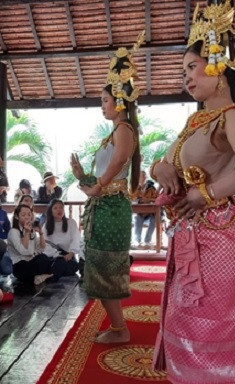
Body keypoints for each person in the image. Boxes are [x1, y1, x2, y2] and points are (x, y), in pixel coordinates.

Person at [149, 4, 235, 384]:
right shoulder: (196, 121)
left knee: (202, 319)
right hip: (199, 233)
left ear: (218, 68)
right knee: (206, 319)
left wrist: (203, 194)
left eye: (192, 67)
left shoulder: (232, 115)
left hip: (217, 233)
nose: (185, 76)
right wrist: (159, 169)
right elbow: (164, 162)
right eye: (184, 68)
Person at [70, 35, 144, 345]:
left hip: (112, 206)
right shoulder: (114, 132)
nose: (102, 105)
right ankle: (117, 326)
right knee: (98, 264)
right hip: (105, 205)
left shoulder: (124, 130)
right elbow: (106, 173)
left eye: (104, 100)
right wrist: (83, 176)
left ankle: (119, 329)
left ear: (119, 101)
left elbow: (120, 161)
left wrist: (97, 185)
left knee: (106, 266)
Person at [7, 204, 54, 285]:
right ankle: (42, 276)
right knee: (42, 259)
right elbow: (23, 251)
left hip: (31, 263)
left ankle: (40, 276)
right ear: (16, 216)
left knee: (47, 259)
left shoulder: (31, 231)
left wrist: (41, 233)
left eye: (29, 214)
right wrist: (27, 233)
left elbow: (41, 248)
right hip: (19, 266)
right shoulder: (13, 232)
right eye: (23, 215)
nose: (27, 217)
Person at [43, 199, 80, 280]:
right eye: (55, 208)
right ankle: (53, 273)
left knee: (74, 267)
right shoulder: (47, 225)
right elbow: (45, 244)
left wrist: (71, 253)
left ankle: (50, 274)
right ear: (51, 211)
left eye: (61, 207)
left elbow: (76, 239)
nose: (59, 210)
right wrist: (57, 255)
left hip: (68, 256)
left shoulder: (71, 222)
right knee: (60, 264)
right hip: (53, 256)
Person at [131, 170, 158, 248]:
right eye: (141, 176)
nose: (143, 177)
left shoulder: (152, 188)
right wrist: (139, 200)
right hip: (139, 213)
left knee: (154, 219)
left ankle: (147, 240)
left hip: (150, 213)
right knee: (138, 218)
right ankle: (137, 240)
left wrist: (149, 200)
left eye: (144, 176)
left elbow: (157, 199)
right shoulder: (134, 187)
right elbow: (131, 198)